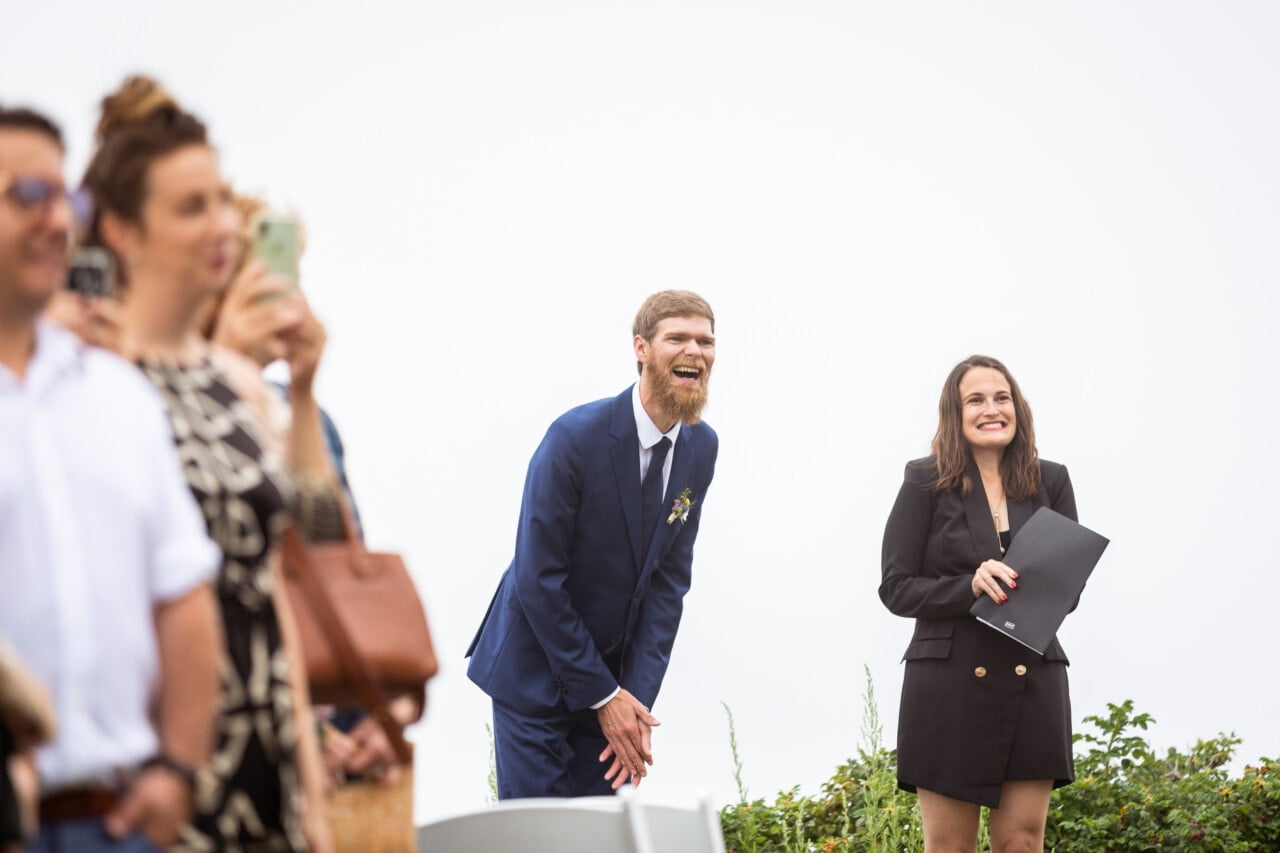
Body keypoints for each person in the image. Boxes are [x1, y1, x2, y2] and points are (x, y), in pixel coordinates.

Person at [80, 76, 335, 852]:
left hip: (265, 750)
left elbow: (303, 548)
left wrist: (312, 793)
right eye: (192, 207)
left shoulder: (234, 382)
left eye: (221, 201)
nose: (221, 225)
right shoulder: (91, 370)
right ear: (123, 231)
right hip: (154, 764)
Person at [0, 103, 221, 851]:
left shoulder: (120, 396)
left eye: (67, 198)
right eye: (26, 196)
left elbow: (183, 593)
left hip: (120, 818)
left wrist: (179, 770)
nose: (56, 219)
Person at [467, 290, 719, 799]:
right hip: (532, 672)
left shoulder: (703, 447)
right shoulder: (574, 437)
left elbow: (668, 584)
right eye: (678, 338)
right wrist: (603, 695)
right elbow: (539, 579)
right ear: (642, 348)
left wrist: (634, 703)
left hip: (613, 686)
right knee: (540, 838)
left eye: (706, 341)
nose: (695, 350)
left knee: (595, 835)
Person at [880, 354, 1080, 853]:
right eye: (976, 399)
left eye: (1002, 397)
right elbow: (896, 586)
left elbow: (1068, 589)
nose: (992, 409)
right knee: (949, 847)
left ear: (1018, 407)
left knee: (1021, 842)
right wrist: (968, 585)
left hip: (1032, 677)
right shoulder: (924, 480)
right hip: (948, 684)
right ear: (956, 412)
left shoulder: (1051, 480)